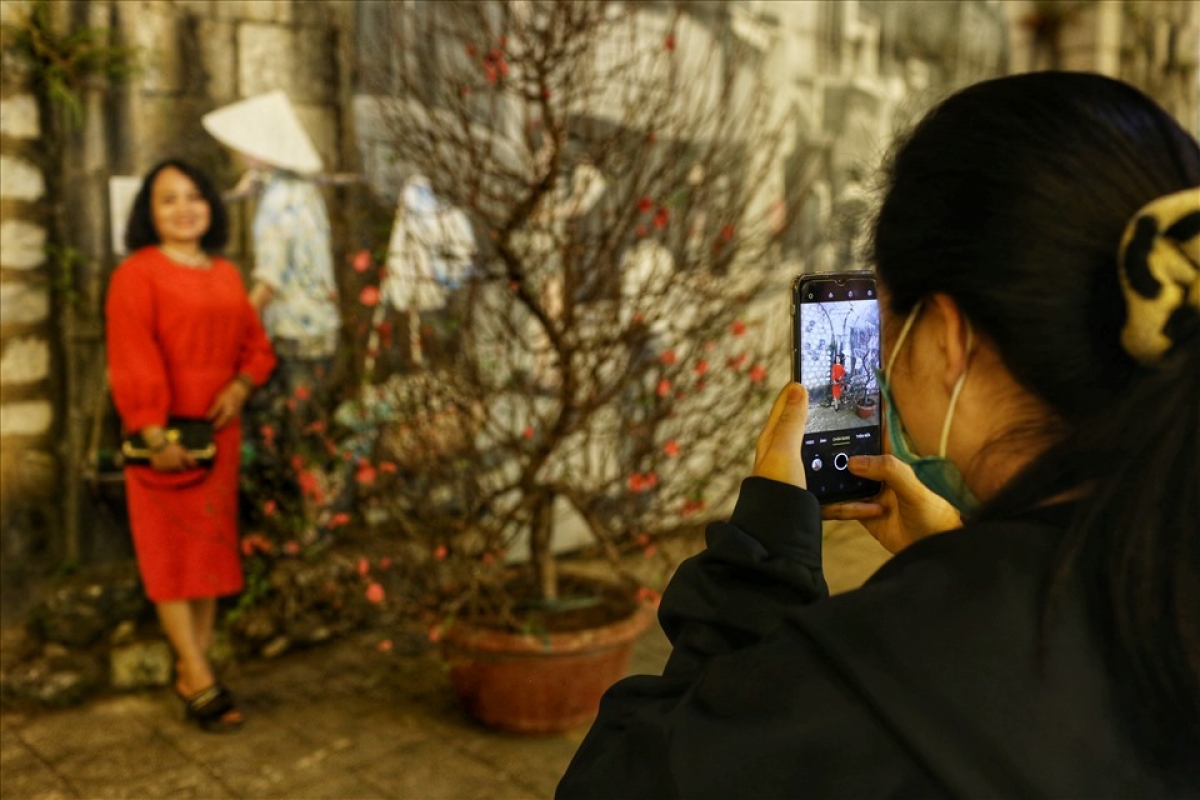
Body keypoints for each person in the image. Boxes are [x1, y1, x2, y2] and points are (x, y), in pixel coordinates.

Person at [558, 72, 1200, 797]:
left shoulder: (904, 665)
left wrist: (761, 562)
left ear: (948, 337)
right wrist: (972, 553)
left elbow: (621, 780)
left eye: (889, 310)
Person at [106, 159, 276, 731]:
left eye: (194, 196)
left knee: (205, 553)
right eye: (168, 199)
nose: (184, 209)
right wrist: (152, 432)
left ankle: (191, 667)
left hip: (219, 436)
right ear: (149, 214)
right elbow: (131, 356)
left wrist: (241, 383)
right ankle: (199, 674)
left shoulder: (227, 275)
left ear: (212, 205)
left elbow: (256, 346)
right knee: (169, 555)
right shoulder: (137, 274)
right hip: (162, 436)